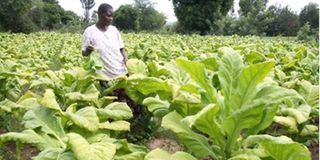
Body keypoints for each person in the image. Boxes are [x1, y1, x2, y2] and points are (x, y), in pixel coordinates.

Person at [82, 3, 128, 79]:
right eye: (108, 16)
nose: (111, 18)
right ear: (100, 15)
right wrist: (87, 51)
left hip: (121, 71)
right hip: (103, 75)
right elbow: (84, 53)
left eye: (112, 16)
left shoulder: (114, 30)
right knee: (107, 91)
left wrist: (126, 61)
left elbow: (122, 48)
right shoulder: (89, 31)